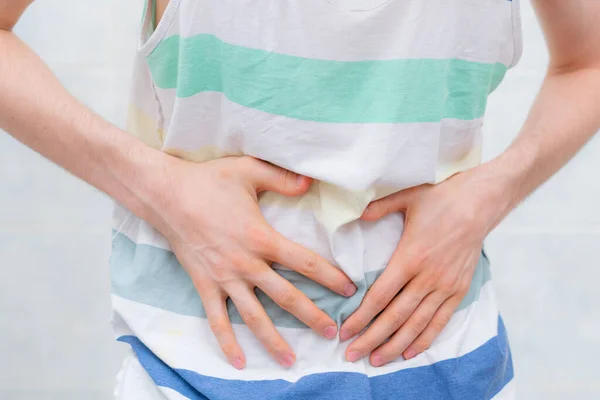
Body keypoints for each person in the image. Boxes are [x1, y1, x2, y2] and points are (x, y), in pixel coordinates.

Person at [1, 0, 599, 398]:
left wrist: (495, 190)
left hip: (451, 370)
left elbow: (588, 62)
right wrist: (163, 191)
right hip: (194, 378)